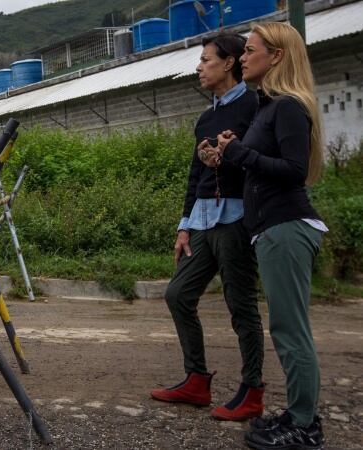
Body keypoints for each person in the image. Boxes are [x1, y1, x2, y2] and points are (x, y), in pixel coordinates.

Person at [200, 23, 327, 450]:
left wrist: (240, 152)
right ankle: (297, 414)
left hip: (285, 227)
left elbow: (294, 171)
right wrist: (229, 152)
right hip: (272, 230)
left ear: (276, 56)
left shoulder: (288, 106)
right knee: (286, 328)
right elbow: (261, 162)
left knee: (291, 331)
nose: (243, 57)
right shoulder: (269, 107)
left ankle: (305, 427)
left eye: (251, 50)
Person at [150, 32, 265, 422]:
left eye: (206, 60)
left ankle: (252, 390)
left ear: (229, 63)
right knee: (178, 294)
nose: (199, 67)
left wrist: (229, 155)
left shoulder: (255, 106)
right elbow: (195, 175)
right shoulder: (207, 116)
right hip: (202, 221)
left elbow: (259, 162)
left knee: (241, 305)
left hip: (236, 219)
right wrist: (184, 227)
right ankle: (197, 380)